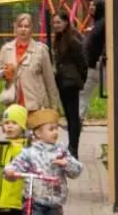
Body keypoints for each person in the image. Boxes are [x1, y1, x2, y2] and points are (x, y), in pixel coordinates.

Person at [5, 109, 84, 215]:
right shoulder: (29, 152)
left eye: (56, 128)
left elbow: (77, 171)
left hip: (55, 202)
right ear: (38, 133)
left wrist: (67, 163)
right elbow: (16, 166)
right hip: (34, 201)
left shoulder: (61, 151)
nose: (55, 132)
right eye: (51, 129)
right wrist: (10, 172)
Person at [0, 13, 60, 112]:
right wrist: (5, 73)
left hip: (36, 105)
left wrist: (54, 107)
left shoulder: (41, 50)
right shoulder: (6, 49)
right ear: (15, 28)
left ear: (31, 29)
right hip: (13, 105)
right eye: (20, 26)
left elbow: (49, 80)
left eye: (26, 26)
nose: (23, 29)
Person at [50, 12, 88, 158]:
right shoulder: (59, 39)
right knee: (70, 116)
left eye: (59, 22)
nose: (56, 25)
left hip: (70, 82)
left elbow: (82, 61)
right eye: (54, 23)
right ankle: (72, 147)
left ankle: (74, 148)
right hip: (62, 81)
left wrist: (81, 79)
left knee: (73, 116)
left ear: (66, 22)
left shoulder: (72, 39)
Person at [80, 0, 105, 121]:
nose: (90, 8)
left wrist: (103, 57)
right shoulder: (96, 24)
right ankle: (78, 120)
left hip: (102, 65)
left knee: (114, 93)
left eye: (93, 6)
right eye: (89, 6)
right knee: (83, 92)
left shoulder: (105, 22)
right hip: (90, 66)